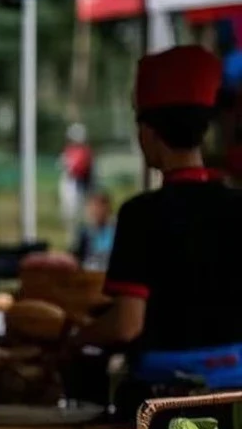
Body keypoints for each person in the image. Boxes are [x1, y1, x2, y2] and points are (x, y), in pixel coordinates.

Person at [72, 45, 242, 404]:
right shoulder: (237, 205)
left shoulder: (141, 214)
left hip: (164, 403)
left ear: (148, 133)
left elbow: (126, 325)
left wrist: (76, 337)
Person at [59, 122, 94, 232]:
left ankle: (82, 229)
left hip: (82, 182)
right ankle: (72, 229)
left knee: (83, 209)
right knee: (71, 210)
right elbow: (66, 167)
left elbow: (88, 169)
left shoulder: (86, 152)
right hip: (72, 182)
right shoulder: (68, 151)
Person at [71, 191, 116, 271]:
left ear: (108, 208)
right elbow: (76, 255)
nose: (96, 211)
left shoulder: (114, 230)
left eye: (100, 206)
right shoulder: (84, 232)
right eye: (93, 207)